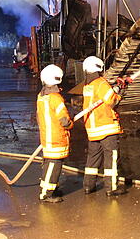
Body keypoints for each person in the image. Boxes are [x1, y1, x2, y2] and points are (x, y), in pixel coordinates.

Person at [81, 56, 128, 196]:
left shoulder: (87, 85)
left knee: (93, 158)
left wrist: (115, 87)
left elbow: (101, 97)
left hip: (93, 129)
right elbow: (112, 101)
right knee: (111, 158)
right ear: (99, 67)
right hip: (106, 127)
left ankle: (88, 186)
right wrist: (121, 90)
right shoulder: (101, 83)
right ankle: (111, 188)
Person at [36, 64, 73, 203]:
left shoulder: (41, 96)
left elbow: (39, 117)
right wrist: (70, 124)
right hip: (56, 138)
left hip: (47, 137)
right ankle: (46, 194)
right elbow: (64, 120)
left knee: (49, 164)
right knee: (53, 165)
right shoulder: (56, 98)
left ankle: (52, 188)